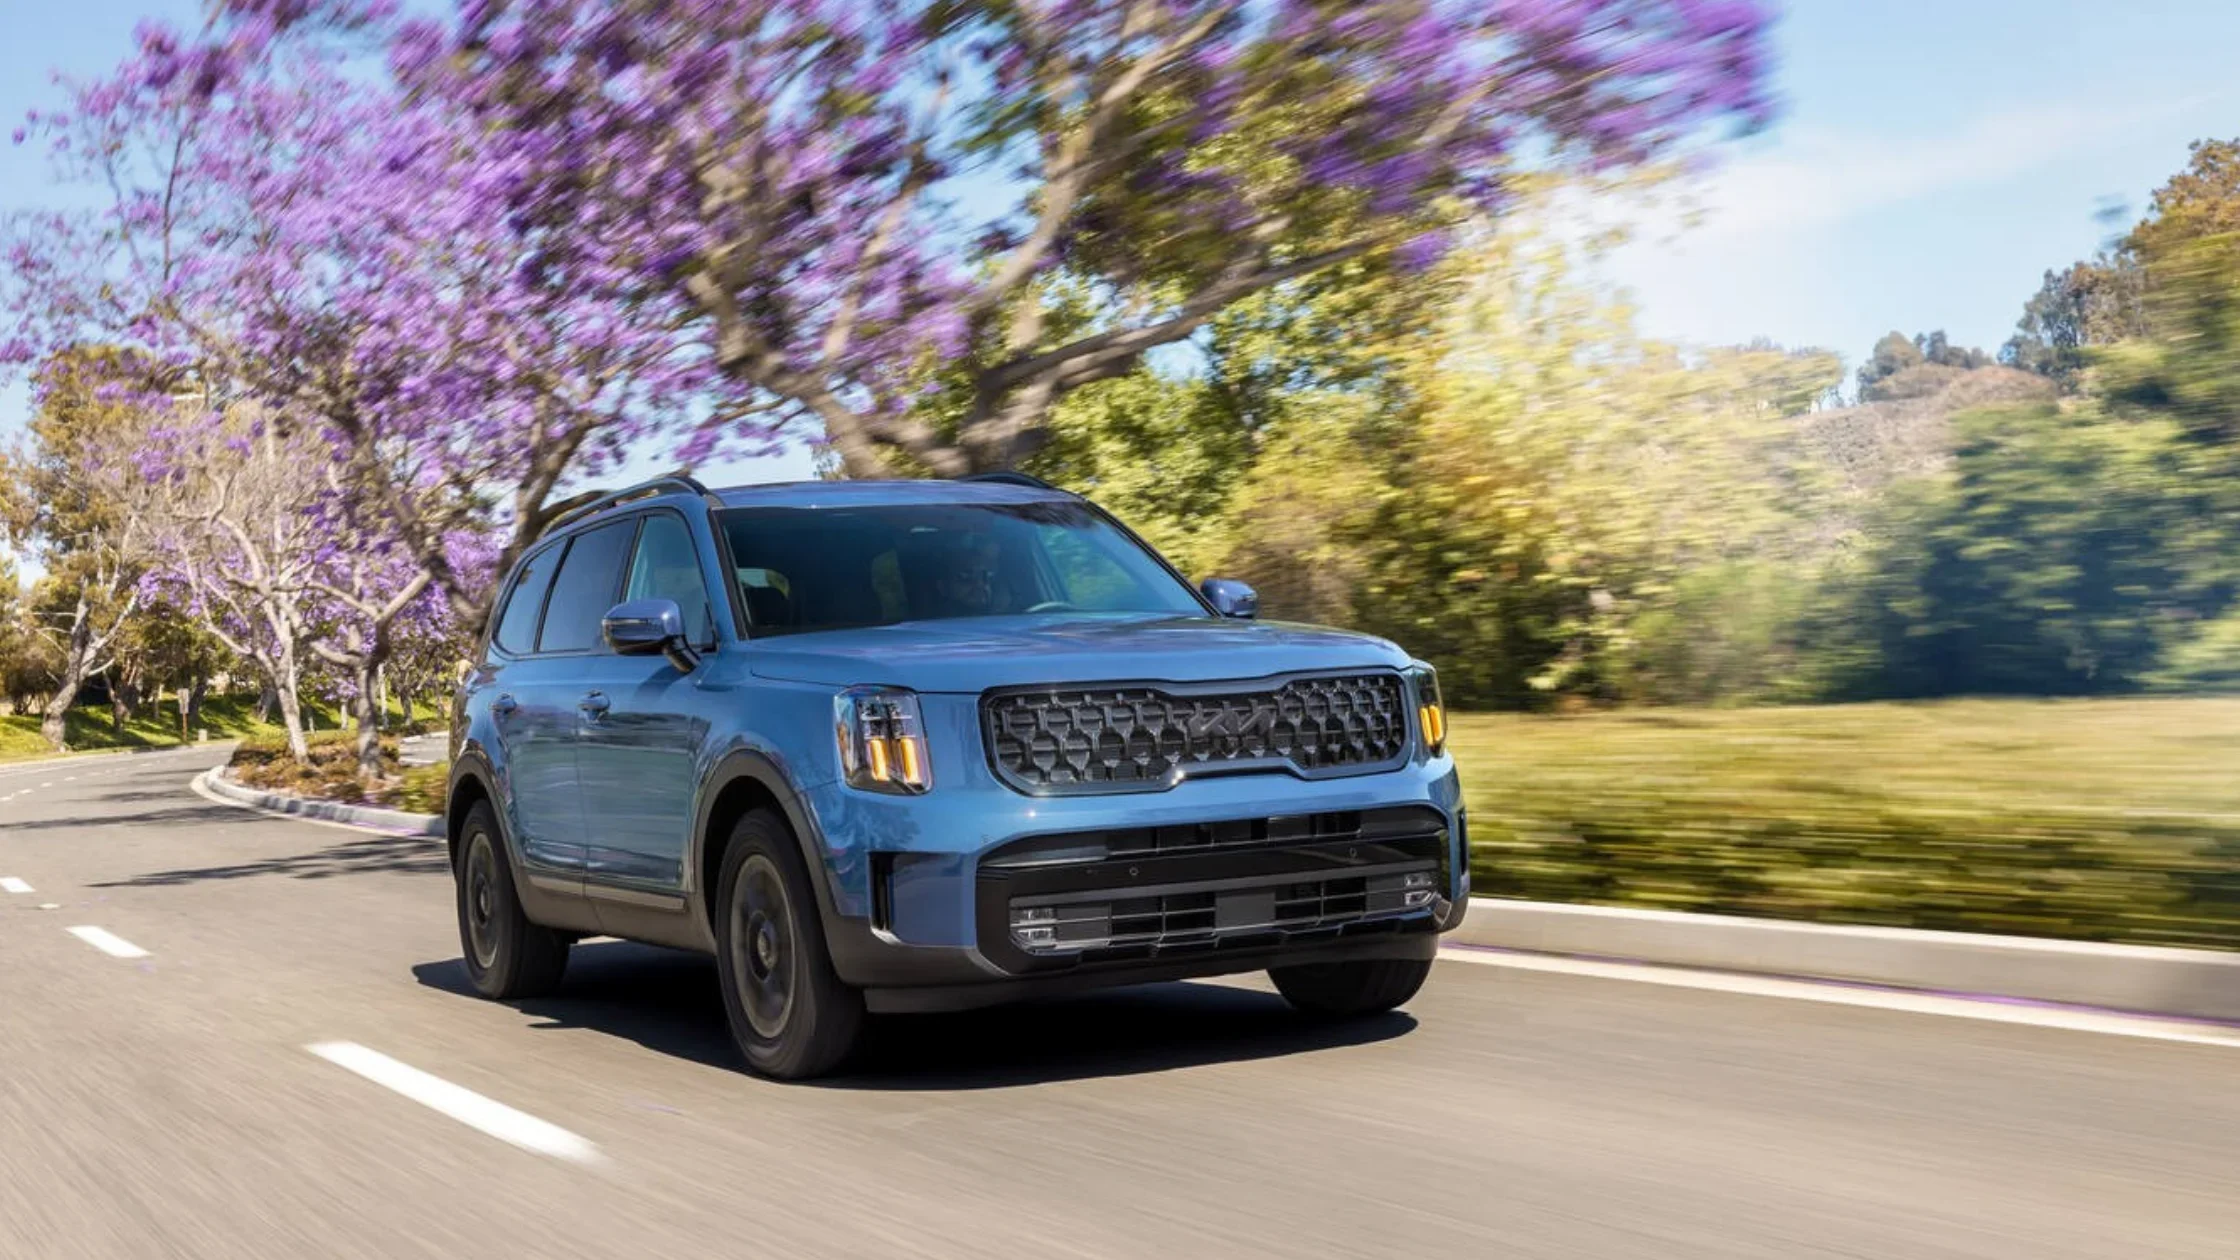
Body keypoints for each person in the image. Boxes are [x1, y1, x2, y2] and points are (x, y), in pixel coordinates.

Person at [930, 533, 1002, 616]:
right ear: (942, 586)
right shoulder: (921, 625)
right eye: (966, 577)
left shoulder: (1014, 620)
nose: (980, 584)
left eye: (986, 576)